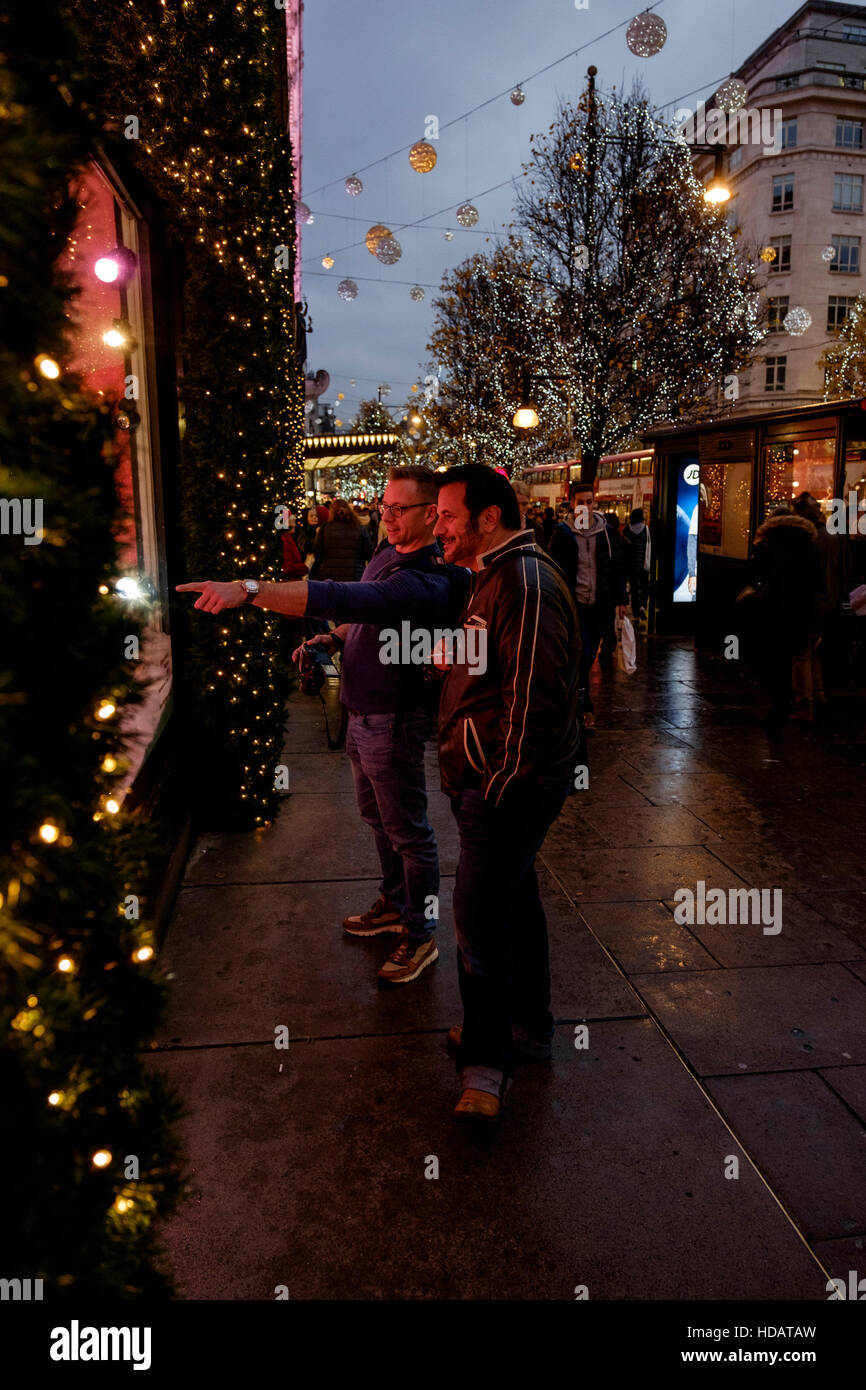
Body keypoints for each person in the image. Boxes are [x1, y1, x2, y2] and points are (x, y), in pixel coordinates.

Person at [177, 466, 470, 987]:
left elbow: (344, 596)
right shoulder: (387, 552)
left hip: (393, 720)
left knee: (410, 833)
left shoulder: (428, 578)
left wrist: (249, 589)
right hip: (363, 713)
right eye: (384, 507)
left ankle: (421, 933)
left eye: (398, 509)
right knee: (378, 820)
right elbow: (358, 614)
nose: (387, 516)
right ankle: (394, 903)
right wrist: (333, 640)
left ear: (430, 514)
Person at [432, 465, 580, 1122]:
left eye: (446, 515)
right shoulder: (495, 574)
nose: (438, 526)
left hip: (508, 786)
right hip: (495, 777)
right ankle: (531, 1026)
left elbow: (534, 698)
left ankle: (487, 1066)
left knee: (478, 920)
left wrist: (498, 785)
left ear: (487, 518)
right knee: (515, 903)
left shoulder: (522, 578)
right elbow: (499, 663)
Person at [548, 481, 628, 730]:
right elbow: (554, 569)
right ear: (572, 504)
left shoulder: (607, 533)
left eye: (589, 502)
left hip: (600, 605)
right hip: (575, 604)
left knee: (590, 651)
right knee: (581, 657)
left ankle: (572, 701)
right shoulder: (563, 533)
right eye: (580, 502)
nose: (586, 507)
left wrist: (621, 601)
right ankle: (584, 709)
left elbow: (616, 568)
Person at [746, 506, 821, 736]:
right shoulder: (809, 545)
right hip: (803, 611)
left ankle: (779, 708)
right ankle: (797, 703)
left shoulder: (768, 545)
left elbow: (758, 575)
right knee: (798, 657)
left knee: (776, 662)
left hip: (775, 612)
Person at [792, 491, 851, 705]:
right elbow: (844, 573)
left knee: (801, 654)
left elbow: (803, 576)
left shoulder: (807, 540)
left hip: (810, 603)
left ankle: (804, 701)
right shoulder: (837, 538)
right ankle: (818, 692)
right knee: (813, 650)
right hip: (831, 601)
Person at [309, 497, 373, 581]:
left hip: (328, 576)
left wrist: (313, 574)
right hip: (354, 575)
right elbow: (369, 553)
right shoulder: (359, 528)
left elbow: (318, 553)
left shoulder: (325, 528)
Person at [622, 506, 651, 626]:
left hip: (631, 566)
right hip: (644, 564)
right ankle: (643, 606)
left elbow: (622, 548)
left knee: (634, 589)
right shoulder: (647, 530)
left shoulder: (626, 530)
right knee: (644, 587)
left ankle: (635, 615)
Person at [511, 479, 545, 546]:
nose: (520, 509)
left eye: (524, 504)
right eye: (516, 504)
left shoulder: (537, 529)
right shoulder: (500, 528)